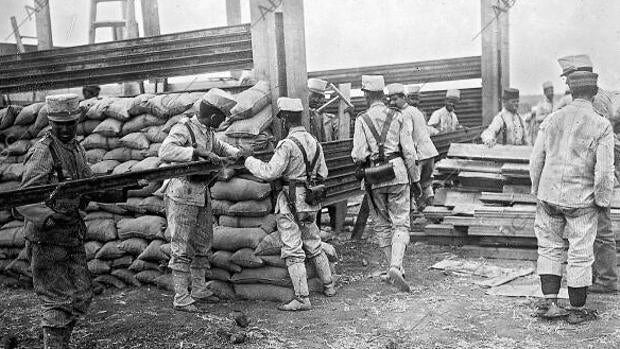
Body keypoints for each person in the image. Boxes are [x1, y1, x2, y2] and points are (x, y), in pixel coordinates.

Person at [17, 94, 126, 348]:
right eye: (59, 125)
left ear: (77, 121)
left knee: (80, 296)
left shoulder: (77, 149)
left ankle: (57, 340)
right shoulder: (44, 152)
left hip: (71, 235)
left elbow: (88, 187)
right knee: (57, 301)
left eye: (70, 124)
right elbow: (24, 198)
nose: (65, 129)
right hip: (47, 240)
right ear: (51, 123)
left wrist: (123, 190)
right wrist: (49, 218)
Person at [530, 71, 614, 324]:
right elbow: (603, 172)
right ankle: (577, 311)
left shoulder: (553, 118)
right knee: (580, 252)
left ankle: (551, 304)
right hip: (581, 200)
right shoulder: (601, 125)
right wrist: (601, 200)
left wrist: (537, 190)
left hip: (549, 196)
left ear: (572, 91)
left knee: (550, 248)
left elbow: (536, 160)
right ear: (595, 92)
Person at [244, 97, 336, 311]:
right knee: (313, 242)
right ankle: (329, 285)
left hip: (291, 201)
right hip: (311, 200)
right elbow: (323, 173)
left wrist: (249, 160)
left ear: (285, 119)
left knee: (293, 249)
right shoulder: (315, 142)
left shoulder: (287, 145)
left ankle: (302, 299)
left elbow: (269, 172)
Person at [159, 88, 244, 313]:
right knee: (181, 244)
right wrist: (196, 154)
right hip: (181, 193)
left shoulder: (207, 131)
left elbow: (220, 146)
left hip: (200, 192)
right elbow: (165, 151)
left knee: (202, 242)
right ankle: (181, 296)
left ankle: (198, 289)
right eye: (222, 118)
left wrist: (237, 153)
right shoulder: (184, 128)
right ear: (215, 116)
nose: (223, 122)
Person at [352, 75, 419, 292]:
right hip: (398, 171)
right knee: (401, 222)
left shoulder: (362, 119)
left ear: (367, 95)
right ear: (382, 94)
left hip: (375, 175)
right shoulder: (398, 116)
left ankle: (394, 268)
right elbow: (409, 151)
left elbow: (358, 154)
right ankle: (396, 266)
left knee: (381, 224)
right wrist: (415, 178)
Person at [558, 54, 619, 293]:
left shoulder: (595, 100)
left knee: (601, 228)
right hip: (591, 168)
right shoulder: (596, 96)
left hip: (596, 170)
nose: (565, 83)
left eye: (569, 78)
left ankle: (607, 280)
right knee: (591, 228)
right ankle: (598, 276)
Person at [386, 83, 434, 210]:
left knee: (411, 186)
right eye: (390, 99)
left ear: (404, 97)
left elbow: (408, 138)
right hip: (429, 153)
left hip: (418, 156)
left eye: (395, 99)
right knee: (426, 184)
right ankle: (432, 212)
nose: (392, 102)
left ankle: (411, 217)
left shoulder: (404, 113)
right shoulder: (415, 111)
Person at [308, 78, 340, 142]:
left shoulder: (331, 120)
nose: (316, 100)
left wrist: (346, 118)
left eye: (320, 97)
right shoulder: (302, 118)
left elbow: (340, 138)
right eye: (313, 95)